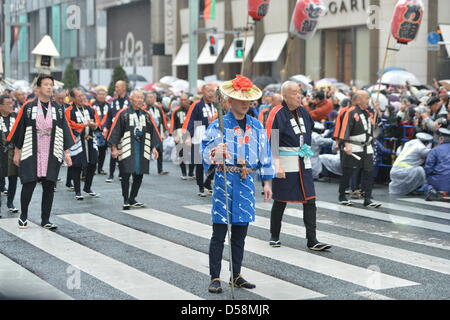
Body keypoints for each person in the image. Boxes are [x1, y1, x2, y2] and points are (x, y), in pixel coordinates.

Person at [201, 75, 274, 294]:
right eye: (239, 99)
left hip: (246, 181)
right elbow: (204, 153)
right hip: (225, 180)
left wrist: (267, 182)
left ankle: (236, 275)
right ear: (230, 101)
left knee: (241, 232)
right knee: (220, 232)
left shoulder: (256, 125)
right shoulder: (218, 125)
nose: (245, 103)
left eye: (248, 100)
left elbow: (266, 154)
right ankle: (215, 276)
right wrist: (216, 152)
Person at [265, 81, 331, 251]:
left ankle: (312, 240)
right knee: (280, 200)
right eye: (294, 92)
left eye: (299, 92)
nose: (299, 95)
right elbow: (271, 141)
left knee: (310, 200)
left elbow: (309, 129)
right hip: (286, 162)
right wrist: (276, 165)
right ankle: (274, 235)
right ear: (285, 95)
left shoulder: (303, 111)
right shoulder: (276, 113)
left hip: (303, 160)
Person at [8, 75, 74, 230]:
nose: (49, 87)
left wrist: (67, 152)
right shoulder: (28, 106)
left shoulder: (58, 108)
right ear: (38, 88)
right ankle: (23, 216)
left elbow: (65, 129)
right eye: (46, 84)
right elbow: (20, 129)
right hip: (32, 148)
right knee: (29, 183)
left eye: (51, 85)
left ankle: (46, 219)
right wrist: (17, 152)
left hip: (51, 148)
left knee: (49, 184)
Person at [108, 90, 161, 210]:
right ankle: (125, 199)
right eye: (137, 97)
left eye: (142, 97)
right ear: (131, 99)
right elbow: (115, 130)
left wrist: (153, 148)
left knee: (139, 173)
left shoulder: (146, 115)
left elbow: (152, 131)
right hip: (127, 147)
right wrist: (114, 148)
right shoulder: (123, 113)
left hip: (142, 147)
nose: (140, 100)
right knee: (126, 174)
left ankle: (133, 198)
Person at [337, 91, 382, 208]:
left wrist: (378, 112)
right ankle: (342, 195)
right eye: (366, 98)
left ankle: (368, 198)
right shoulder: (351, 112)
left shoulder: (368, 113)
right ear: (357, 100)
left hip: (367, 146)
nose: (368, 100)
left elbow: (374, 127)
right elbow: (345, 128)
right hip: (354, 145)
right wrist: (346, 144)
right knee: (348, 171)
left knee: (368, 171)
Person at [66, 88, 101, 200]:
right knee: (77, 165)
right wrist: (84, 125)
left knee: (93, 163)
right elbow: (69, 125)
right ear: (72, 98)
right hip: (77, 141)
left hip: (90, 139)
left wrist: (94, 126)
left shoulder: (89, 108)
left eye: (82, 96)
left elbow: (96, 122)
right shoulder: (69, 110)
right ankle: (77, 190)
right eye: (78, 96)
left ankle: (87, 187)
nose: (81, 98)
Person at [183, 84, 217, 197]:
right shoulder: (197, 105)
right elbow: (190, 120)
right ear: (202, 92)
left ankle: (207, 182)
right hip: (199, 137)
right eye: (209, 91)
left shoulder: (216, 105)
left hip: (214, 138)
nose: (211, 93)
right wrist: (188, 136)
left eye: (213, 91)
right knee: (200, 164)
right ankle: (201, 187)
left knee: (216, 162)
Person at [105, 80, 130, 183]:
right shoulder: (113, 102)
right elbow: (109, 116)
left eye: (117, 87)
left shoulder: (129, 101)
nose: (116, 89)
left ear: (124, 88)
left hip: (126, 131)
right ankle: (111, 174)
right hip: (115, 131)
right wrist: (106, 127)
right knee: (114, 152)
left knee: (125, 153)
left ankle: (122, 173)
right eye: (115, 87)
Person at [0, 95, 19, 213]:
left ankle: (10, 202)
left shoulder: (15, 117)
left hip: (13, 153)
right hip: (0, 153)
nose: (10, 105)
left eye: (11, 103)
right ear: (0, 106)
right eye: (7, 103)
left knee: (13, 179)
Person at [170, 93, 194, 180]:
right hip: (179, 134)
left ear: (188, 100)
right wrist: (174, 135)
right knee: (181, 154)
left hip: (191, 134)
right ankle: (184, 173)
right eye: (181, 100)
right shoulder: (176, 111)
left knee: (193, 154)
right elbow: (173, 123)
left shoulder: (192, 109)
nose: (183, 102)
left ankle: (191, 172)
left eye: (185, 100)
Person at [145, 92, 168, 175]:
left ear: (155, 99)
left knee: (160, 151)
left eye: (152, 97)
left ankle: (160, 169)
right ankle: (145, 168)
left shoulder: (158, 108)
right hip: (147, 133)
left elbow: (163, 119)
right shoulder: (144, 109)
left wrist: (165, 130)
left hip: (158, 132)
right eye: (148, 97)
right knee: (146, 151)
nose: (150, 99)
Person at [424, 128, 450, 201]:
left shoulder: (435, 150)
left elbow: (428, 167)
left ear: (441, 139)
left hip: (439, 182)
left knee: (424, 181)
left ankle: (431, 190)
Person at [91, 88, 110, 175]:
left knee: (103, 151)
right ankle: (93, 168)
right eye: (100, 94)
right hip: (95, 131)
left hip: (105, 131)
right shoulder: (91, 105)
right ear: (96, 95)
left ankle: (100, 168)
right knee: (94, 151)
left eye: (103, 94)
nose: (102, 96)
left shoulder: (109, 105)